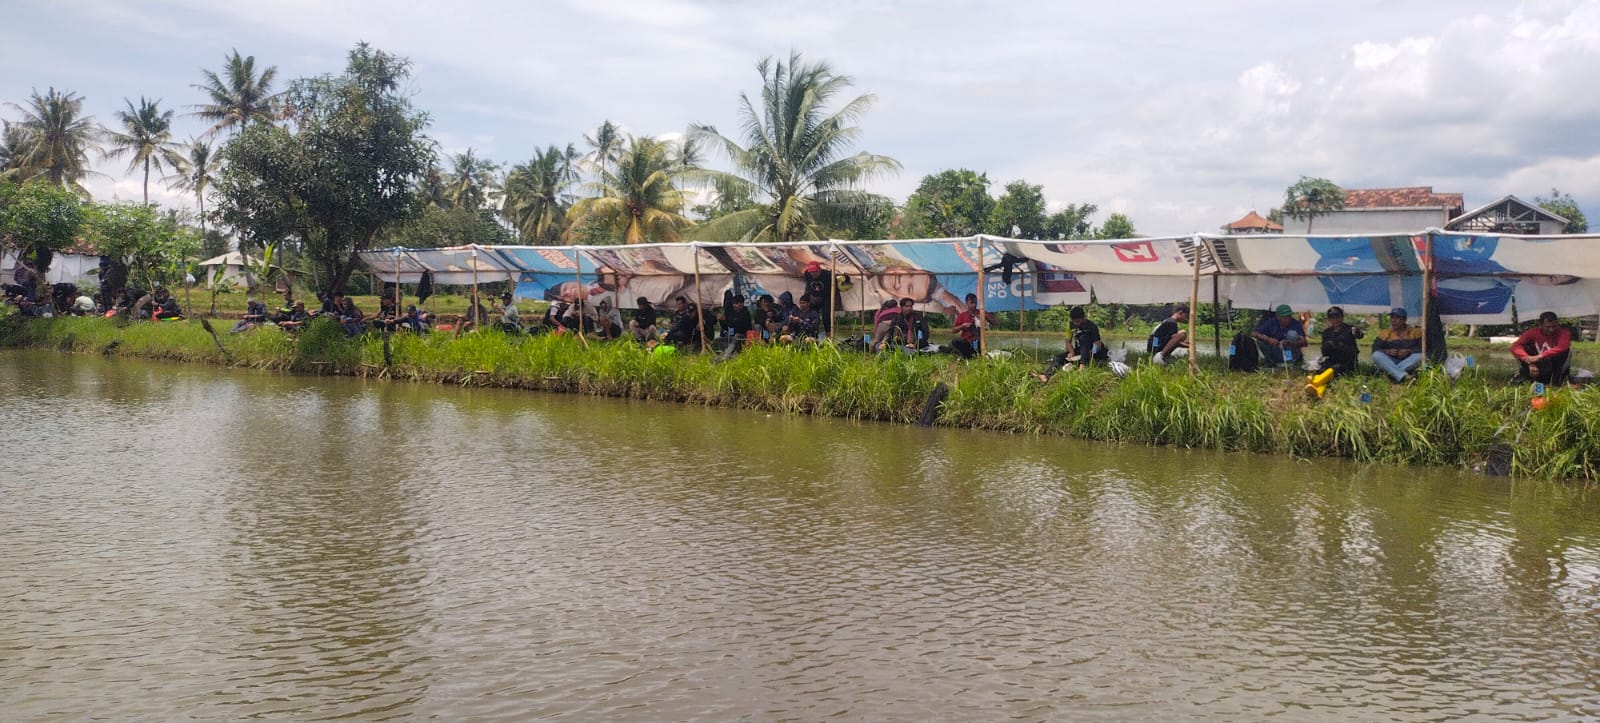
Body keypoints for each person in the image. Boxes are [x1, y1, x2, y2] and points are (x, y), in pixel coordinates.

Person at [1033, 306, 1107, 381]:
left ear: (1083, 318)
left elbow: (1098, 344)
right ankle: (1046, 375)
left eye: (1078, 321)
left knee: (1083, 338)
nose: (1076, 323)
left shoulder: (1092, 326)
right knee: (1058, 358)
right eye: (1074, 321)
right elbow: (1068, 342)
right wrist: (1071, 352)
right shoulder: (1070, 326)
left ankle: (1082, 366)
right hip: (1081, 351)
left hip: (1093, 352)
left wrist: (1093, 352)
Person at [1511, 311, 1572, 385]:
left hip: (1554, 365)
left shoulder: (1564, 333)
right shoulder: (1532, 332)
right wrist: (1529, 361)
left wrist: (1539, 356)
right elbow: (1515, 346)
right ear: (1540, 325)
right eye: (1548, 327)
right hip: (1535, 365)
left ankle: (1558, 380)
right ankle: (1527, 377)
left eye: (1554, 326)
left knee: (1566, 351)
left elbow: (1563, 347)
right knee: (1523, 348)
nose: (1551, 330)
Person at [1371, 306, 1423, 382]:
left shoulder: (1416, 332)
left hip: (1409, 361)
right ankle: (1404, 376)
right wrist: (1388, 351)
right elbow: (1375, 349)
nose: (1393, 321)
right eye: (1392, 318)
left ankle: (1392, 374)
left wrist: (1408, 351)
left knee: (1421, 356)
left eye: (1397, 318)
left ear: (1404, 320)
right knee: (1376, 355)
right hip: (1391, 361)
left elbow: (1423, 348)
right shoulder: (1384, 333)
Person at [1317, 305, 1364, 375]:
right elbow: (1324, 353)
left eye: (1337, 317)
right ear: (1329, 319)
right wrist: (1329, 345)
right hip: (1333, 360)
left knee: (1333, 370)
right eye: (1332, 318)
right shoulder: (1327, 332)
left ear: (1342, 317)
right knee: (1321, 370)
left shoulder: (1350, 329)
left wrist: (1356, 332)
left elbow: (1360, 335)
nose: (1336, 320)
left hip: (1348, 361)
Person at [950, 293, 989, 359]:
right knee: (954, 341)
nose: (974, 305)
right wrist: (962, 326)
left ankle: (971, 355)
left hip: (979, 342)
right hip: (967, 343)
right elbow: (953, 330)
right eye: (972, 303)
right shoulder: (962, 315)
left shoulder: (981, 312)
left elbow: (995, 323)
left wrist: (984, 317)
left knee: (980, 344)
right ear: (966, 303)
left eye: (975, 303)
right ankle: (967, 355)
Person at [801, 261, 834, 334]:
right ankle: (813, 336)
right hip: (813, 297)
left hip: (825, 297)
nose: (813, 274)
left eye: (815, 272)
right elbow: (808, 286)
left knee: (826, 316)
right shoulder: (807, 274)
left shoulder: (827, 275)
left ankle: (829, 337)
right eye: (811, 272)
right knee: (812, 316)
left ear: (819, 269)